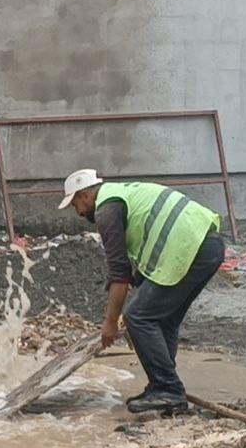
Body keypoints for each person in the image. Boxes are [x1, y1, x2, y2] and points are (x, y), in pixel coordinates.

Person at [56, 168, 225, 413]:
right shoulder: (122, 193)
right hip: (208, 246)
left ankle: (167, 389)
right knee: (163, 319)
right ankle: (165, 387)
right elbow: (140, 256)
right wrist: (137, 280)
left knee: (138, 317)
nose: (79, 213)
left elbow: (119, 274)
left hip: (189, 248)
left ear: (84, 196)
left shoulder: (106, 209)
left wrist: (111, 321)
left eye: (75, 205)